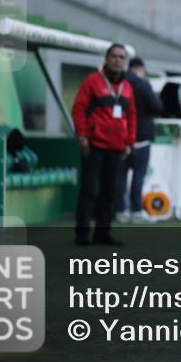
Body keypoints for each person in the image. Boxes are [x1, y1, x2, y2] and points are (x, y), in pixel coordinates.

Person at [71, 43, 136, 246]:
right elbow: (78, 109)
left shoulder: (127, 88)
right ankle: (82, 234)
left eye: (121, 57)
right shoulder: (92, 81)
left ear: (125, 62)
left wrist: (129, 143)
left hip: (116, 148)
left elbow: (132, 117)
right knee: (89, 191)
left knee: (109, 193)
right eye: (114, 56)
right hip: (93, 146)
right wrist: (82, 136)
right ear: (107, 59)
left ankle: (102, 233)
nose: (118, 60)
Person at [115, 57, 163, 223]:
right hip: (140, 138)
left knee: (120, 177)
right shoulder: (143, 85)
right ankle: (136, 211)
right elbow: (157, 106)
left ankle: (121, 210)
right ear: (141, 69)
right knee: (138, 176)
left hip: (120, 138)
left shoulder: (119, 84)